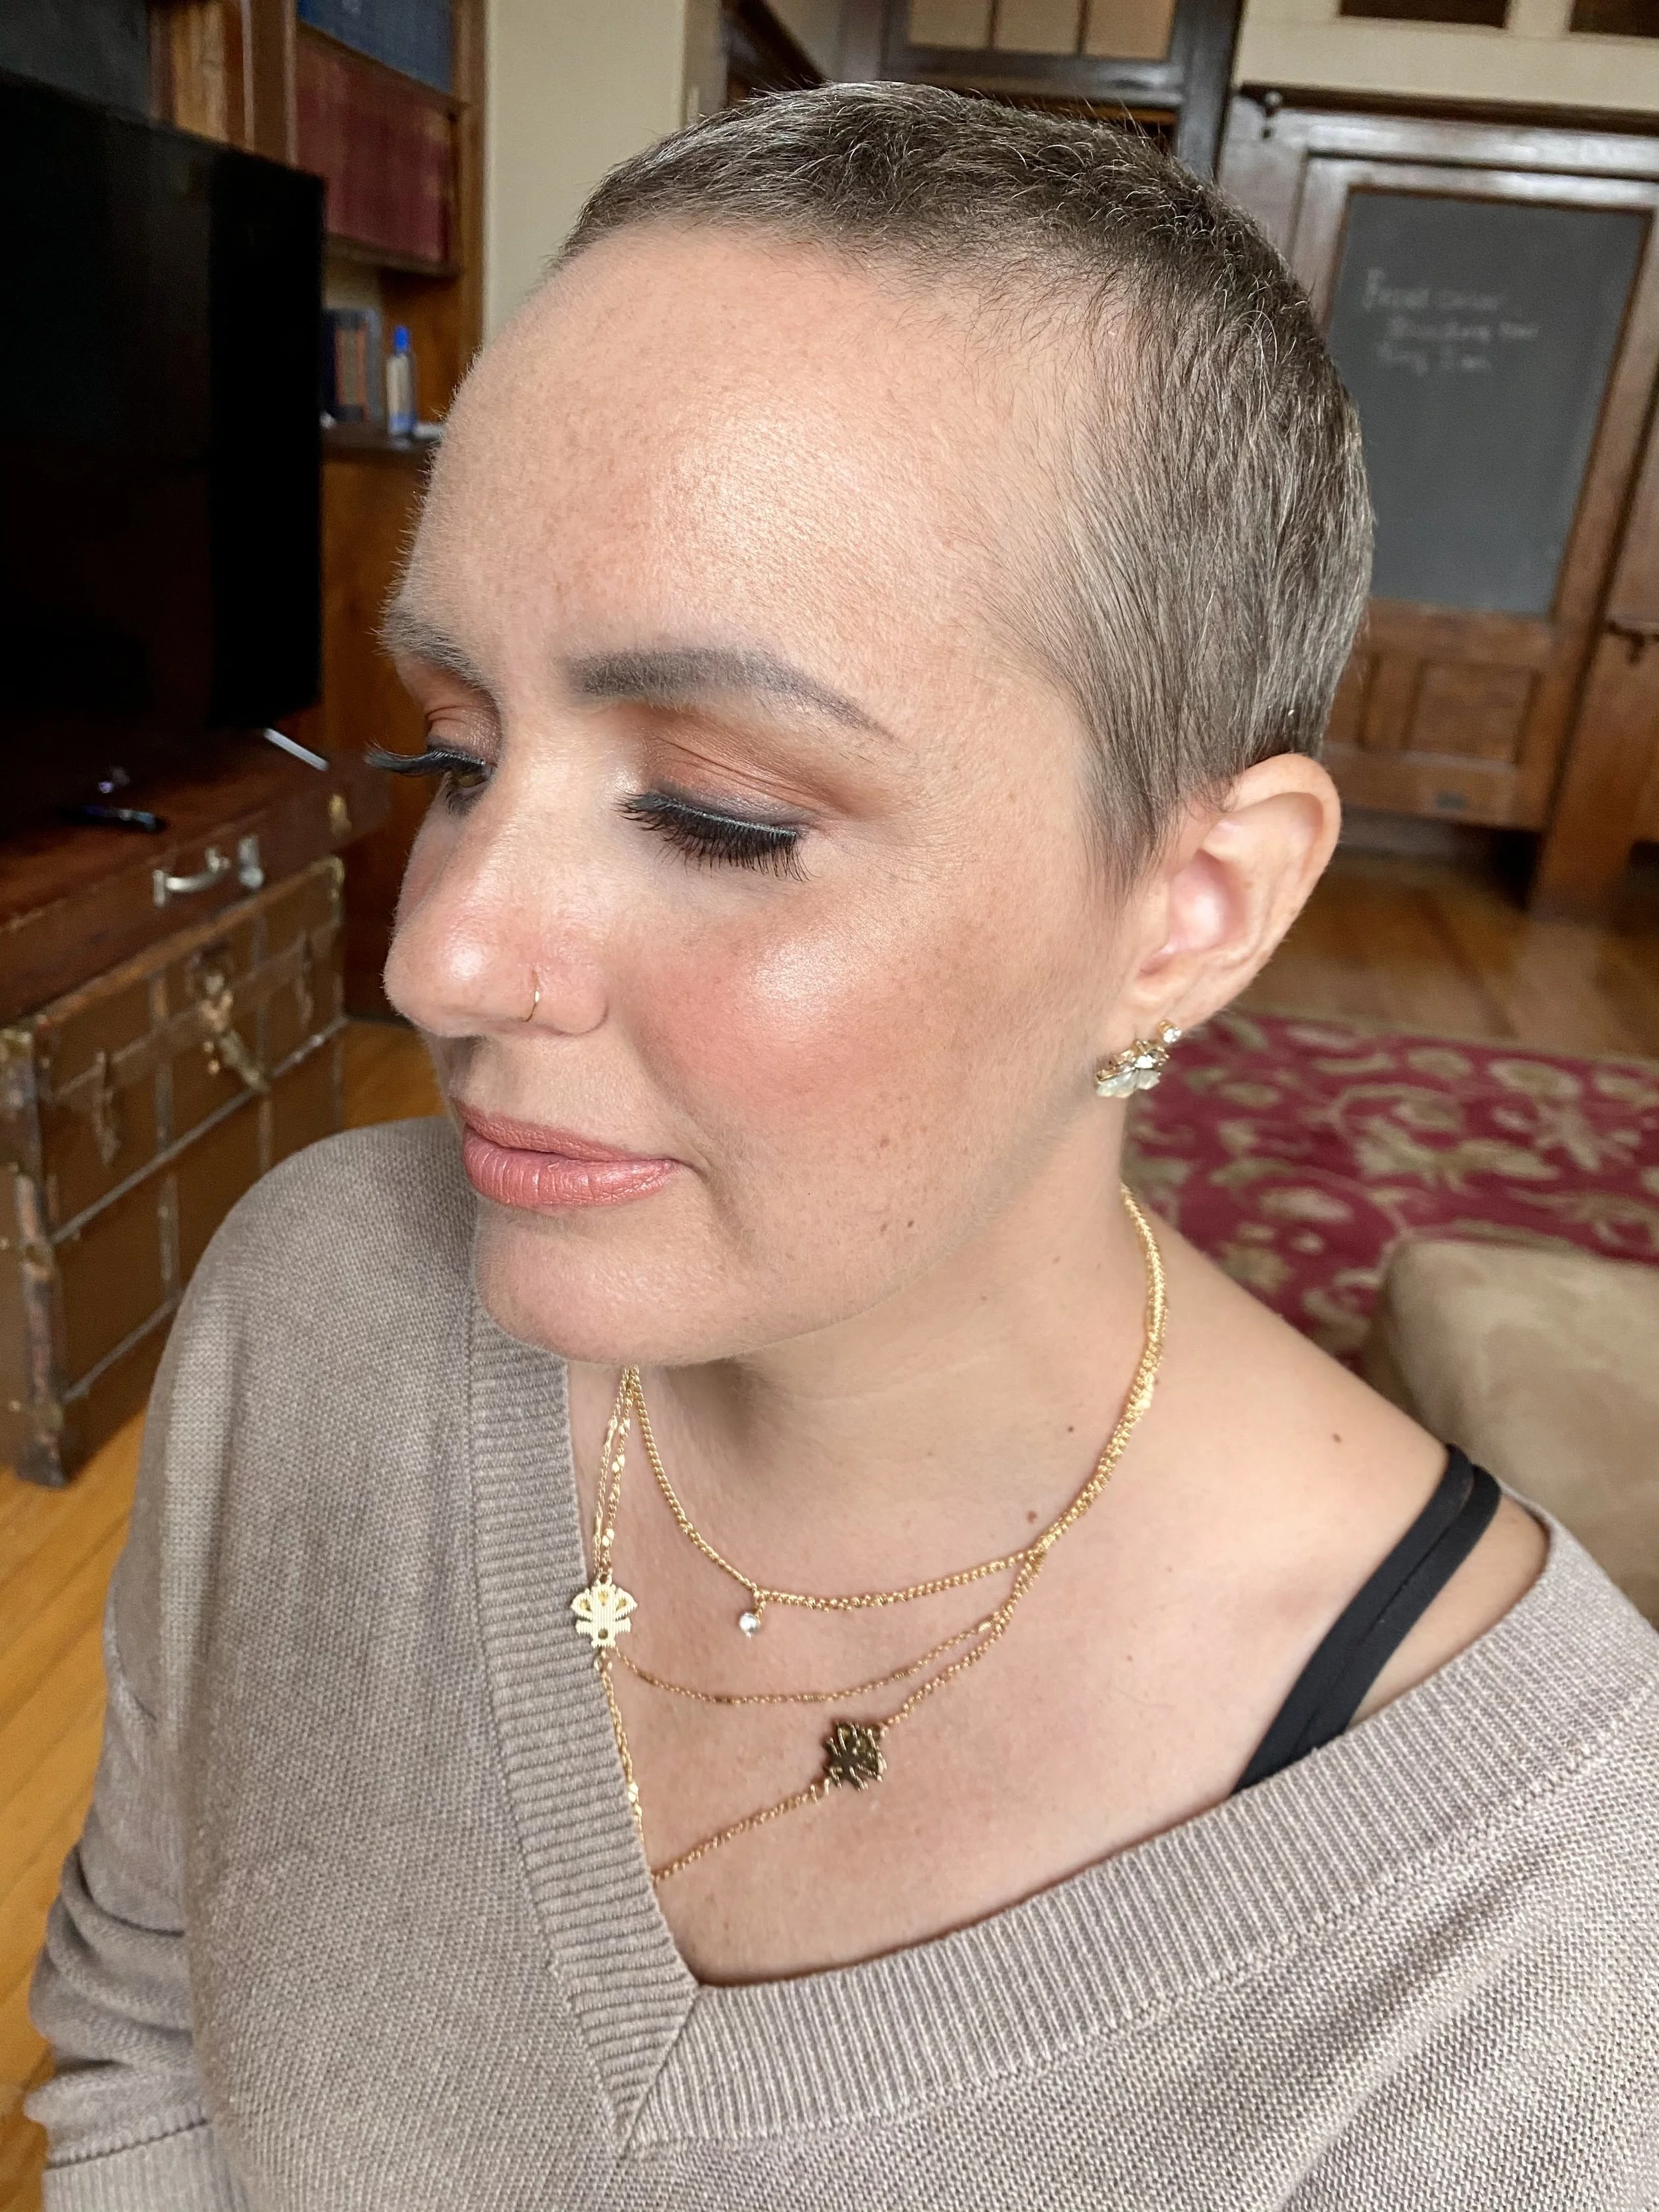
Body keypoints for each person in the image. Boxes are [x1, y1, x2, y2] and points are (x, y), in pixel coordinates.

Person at [29, 84, 1658, 2211]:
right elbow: (147, 2022)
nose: (439, 953)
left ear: (1191, 908)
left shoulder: (1547, 1961)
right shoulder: (320, 1301)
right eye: (456, 754)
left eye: (720, 816)